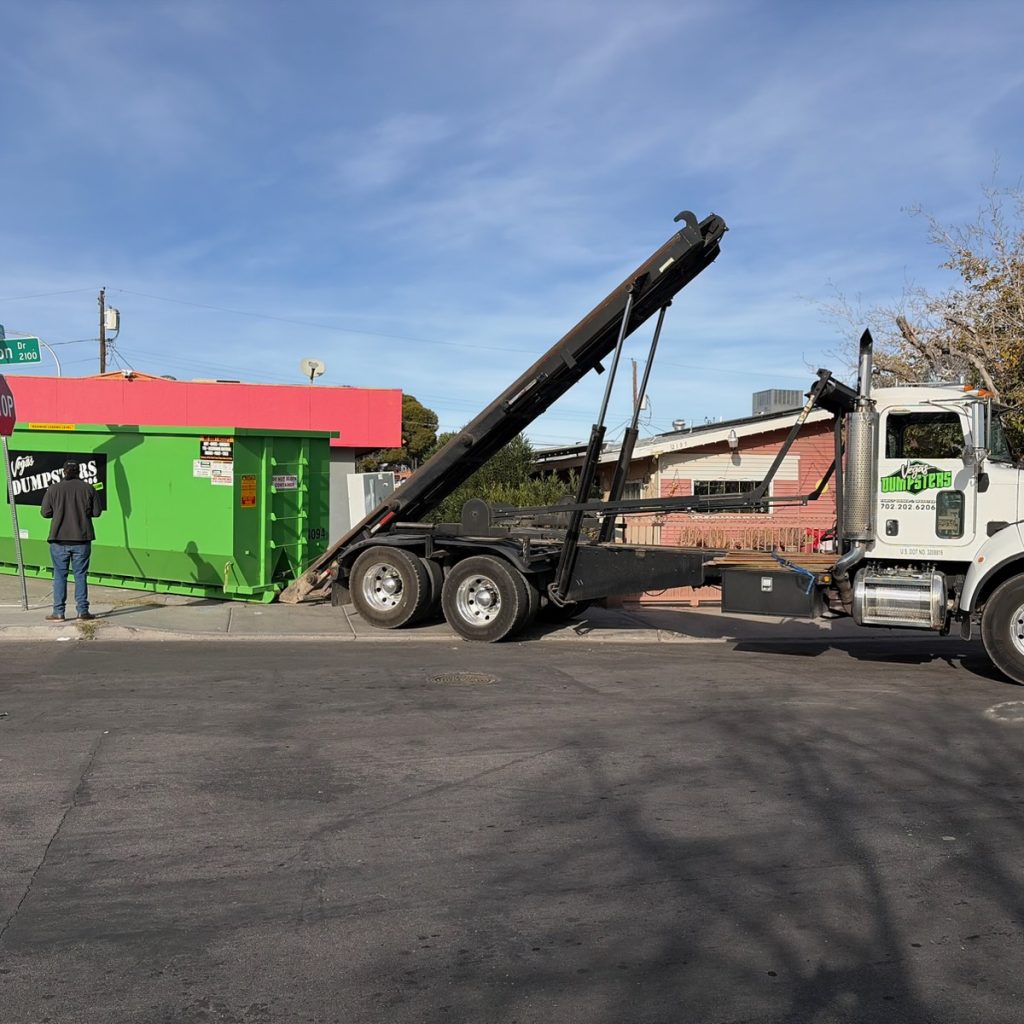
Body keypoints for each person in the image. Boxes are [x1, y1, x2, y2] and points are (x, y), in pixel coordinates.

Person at [40, 460, 103, 622]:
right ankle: (82, 612)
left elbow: (45, 512)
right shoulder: (88, 488)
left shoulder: (53, 489)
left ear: (64, 472)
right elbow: (97, 512)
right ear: (79, 472)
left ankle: (58, 613)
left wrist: (59, 511)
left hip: (58, 539)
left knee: (60, 576)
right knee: (80, 575)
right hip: (81, 539)